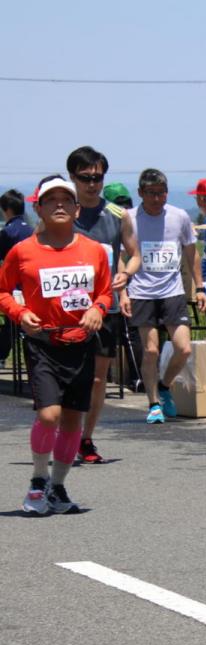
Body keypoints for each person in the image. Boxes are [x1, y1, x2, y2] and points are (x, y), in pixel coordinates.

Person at [0, 176, 112, 514]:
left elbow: (106, 292)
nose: (59, 205)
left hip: (80, 342)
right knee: (49, 415)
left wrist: (98, 308)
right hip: (43, 342)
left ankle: (59, 487)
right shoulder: (23, 251)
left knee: (72, 421)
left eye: (67, 200)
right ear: (39, 209)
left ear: (77, 209)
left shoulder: (93, 250)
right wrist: (19, 313)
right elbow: (3, 291)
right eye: (51, 200)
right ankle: (37, 480)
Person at [66, 146, 137, 464]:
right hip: (67, 309)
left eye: (98, 177)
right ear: (73, 177)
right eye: (85, 177)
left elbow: (135, 254)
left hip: (105, 307)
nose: (92, 183)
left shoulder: (118, 215)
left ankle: (86, 438)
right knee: (68, 376)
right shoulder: (63, 211)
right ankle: (65, 432)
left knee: (98, 378)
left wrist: (125, 273)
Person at [120, 168, 204, 424]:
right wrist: (122, 292)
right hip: (142, 292)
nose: (157, 199)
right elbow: (121, 258)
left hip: (172, 292)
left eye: (161, 193)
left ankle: (165, 385)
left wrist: (200, 287)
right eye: (151, 194)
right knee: (151, 350)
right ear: (140, 193)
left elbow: (192, 254)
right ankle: (154, 402)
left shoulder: (179, 216)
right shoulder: (130, 218)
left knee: (184, 348)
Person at [0, 189, 34, 365]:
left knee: (10, 326)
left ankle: (2, 355)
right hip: (32, 288)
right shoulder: (32, 230)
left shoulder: (8, 232)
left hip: (14, 290)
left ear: (6, 209)